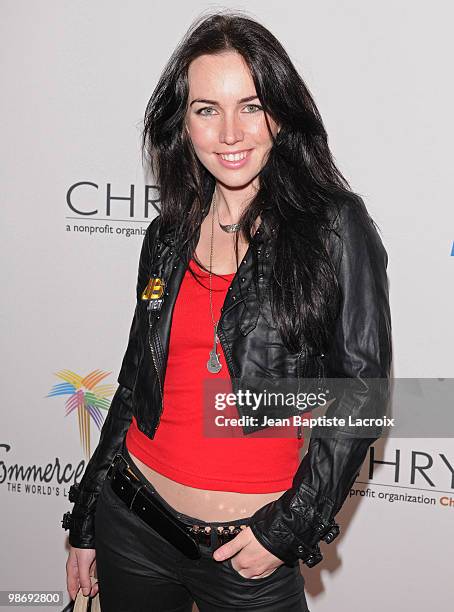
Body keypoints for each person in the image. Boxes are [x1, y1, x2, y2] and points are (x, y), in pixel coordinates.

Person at [63, 10, 392, 612]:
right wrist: (87, 517)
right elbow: (137, 381)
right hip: (131, 523)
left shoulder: (334, 227)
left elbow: (364, 392)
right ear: (182, 124)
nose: (231, 132)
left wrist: (284, 531)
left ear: (280, 115)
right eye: (207, 109)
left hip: (247, 554)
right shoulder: (168, 233)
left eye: (250, 104)